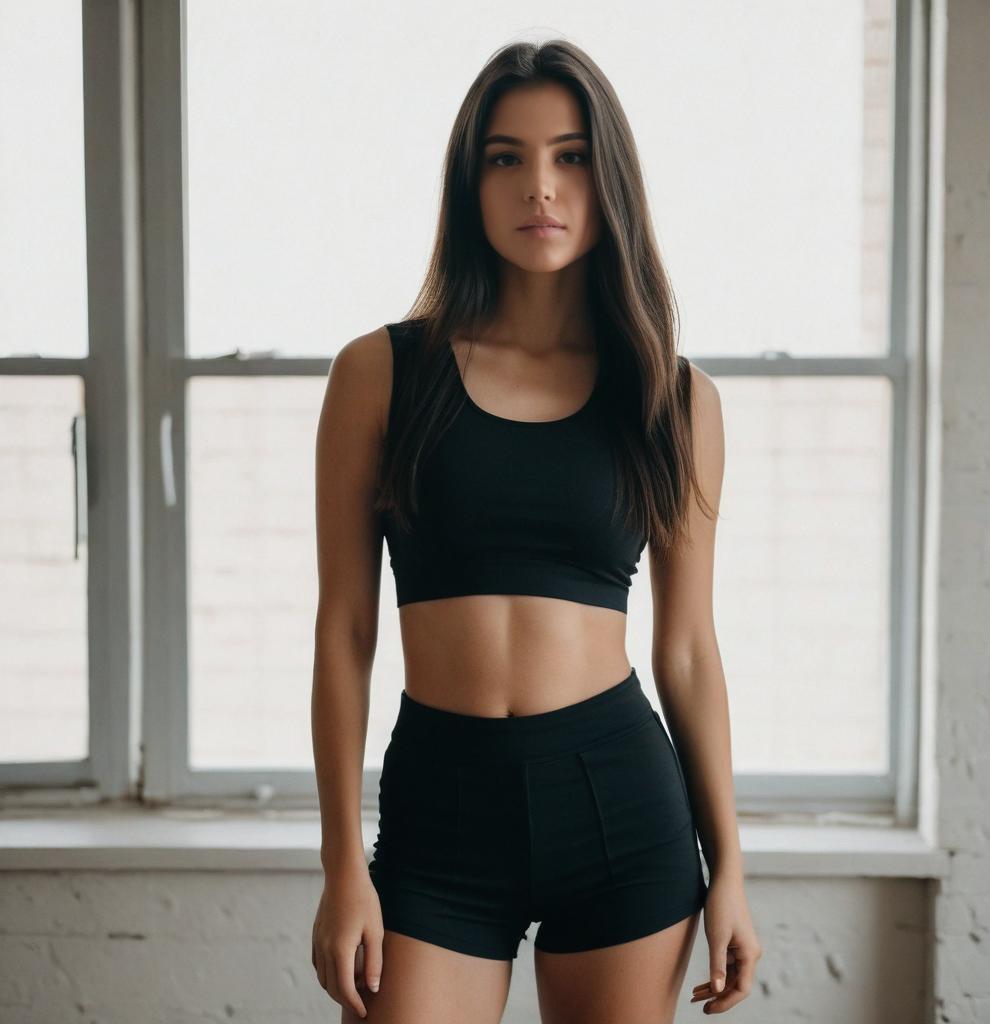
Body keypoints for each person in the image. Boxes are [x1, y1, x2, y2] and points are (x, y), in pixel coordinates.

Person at [311, 39, 761, 1023]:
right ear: (469, 184)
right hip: (439, 811)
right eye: (505, 158)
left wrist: (729, 866)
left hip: (620, 809)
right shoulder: (378, 374)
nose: (540, 187)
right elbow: (345, 631)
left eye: (569, 156)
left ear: (609, 181)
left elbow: (686, 649)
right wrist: (343, 861)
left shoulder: (673, 398)